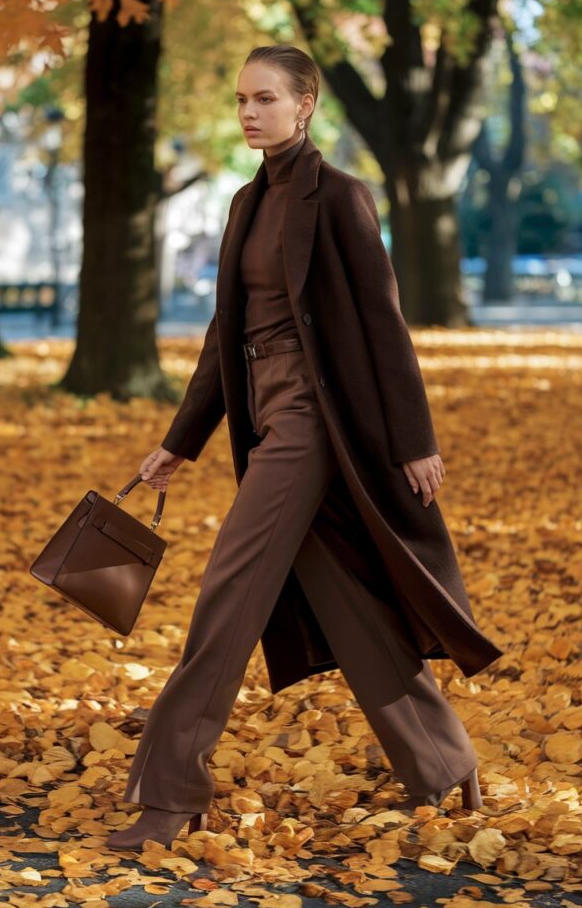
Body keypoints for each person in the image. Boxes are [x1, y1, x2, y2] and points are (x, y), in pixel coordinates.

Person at [106, 45, 491, 852]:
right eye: (243, 99)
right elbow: (225, 336)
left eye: (267, 99)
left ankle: (171, 790)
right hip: (265, 413)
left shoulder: (342, 196)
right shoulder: (247, 204)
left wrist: (413, 439)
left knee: (229, 589)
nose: (251, 112)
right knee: (343, 596)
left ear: (306, 104)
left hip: (318, 421)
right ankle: (443, 764)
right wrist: (181, 443)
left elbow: (384, 323)